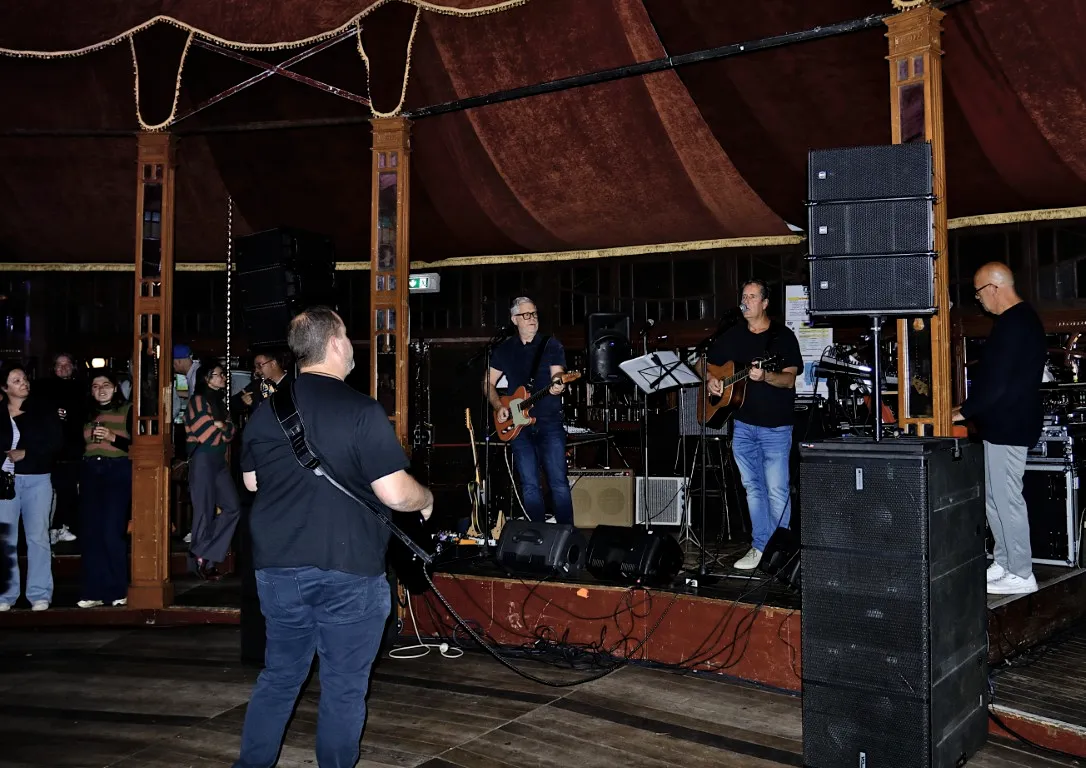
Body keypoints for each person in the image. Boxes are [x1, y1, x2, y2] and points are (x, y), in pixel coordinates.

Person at [235, 306, 434, 768]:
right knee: (343, 686)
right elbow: (394, 492)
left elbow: (251, 484)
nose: (350, 346)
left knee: (280, 677)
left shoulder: (267, 413)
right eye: (346, 337)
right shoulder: (361, 409)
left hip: (278, 568)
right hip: (350, 572)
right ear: (334, 345)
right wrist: (424, 499)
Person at [954, 262, 1046, 595]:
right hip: (1004, 425)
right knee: (996, 499)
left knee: (1006, 499)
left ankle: (1021, 572)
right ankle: (1005, 562)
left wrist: (964, 412)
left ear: (994, 287)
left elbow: (998, 384)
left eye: (979, 293)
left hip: (1011, 425)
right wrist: (965, 411)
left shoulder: (1016, 323)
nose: (979, 301)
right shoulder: (1017, 321)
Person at [707, 280, 803, 570]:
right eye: (743, 296)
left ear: (764, 303)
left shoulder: (782, 337)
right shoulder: (733, 335)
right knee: (753, 488)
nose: (745, 300)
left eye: (752, 296)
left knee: (776, 490)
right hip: (743, 425)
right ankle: (760, 546)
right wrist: (711, 380)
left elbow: (789, 379)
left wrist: (765, 378)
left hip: (775, 427)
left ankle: (781, 553)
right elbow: (706, 363)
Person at [485, 296, 572, 524]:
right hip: (518, 425)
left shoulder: (550, 345)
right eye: (526, 315)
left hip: (549, 422)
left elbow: (557, 375)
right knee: (530, 485)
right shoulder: (504, 349)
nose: (532, 318)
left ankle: (566, 536)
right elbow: (487, 382)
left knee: (558, 483)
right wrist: (498, 406)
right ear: (515, 319)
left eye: (534, 314)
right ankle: (538, 537)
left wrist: (558, 385)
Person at [0, 364, 62, 611]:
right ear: (4, 388)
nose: (23, 382)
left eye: (24, 378)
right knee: (6, 539)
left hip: (37, 478)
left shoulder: (42, 409)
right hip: (5, 481)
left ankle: (39, 594)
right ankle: (5, 595)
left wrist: (27, 453)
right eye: (16, 380)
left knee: (38, 537)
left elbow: (57, 442)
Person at [77, 370, 133, 608]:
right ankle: (94, 591)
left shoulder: (129, 410)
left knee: (112, 532)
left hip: (116, 470)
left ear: (116, 387)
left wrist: (113, 437)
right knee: (92, 533)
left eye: (106, 384)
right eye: (95, 386)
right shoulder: (87, 414)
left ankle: (118, 590)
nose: (101, 389)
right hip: (91, 471)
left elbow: (137, 446)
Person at [184, 358, 241, 580]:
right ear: (207, 378)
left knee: (233, 507)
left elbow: (230, 433)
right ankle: (200, 562)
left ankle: (202, 552)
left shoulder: (218, 404)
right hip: (203, 459)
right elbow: (208, 436)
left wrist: (222, 427)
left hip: (217, 461)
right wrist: (222, 429)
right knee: (204, 511)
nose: (224, 377)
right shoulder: (197, 401)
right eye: (219, 374)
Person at [37, 353, 84, 544]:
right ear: (53, 368)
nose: (63, 368)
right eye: (59, 365)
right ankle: (53, 527)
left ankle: (61, 526)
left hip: (74, 448)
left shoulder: (82, 388)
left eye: (67, 364)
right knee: (53, 490)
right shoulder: (43, 388)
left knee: (69, 489)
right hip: (50, 448)